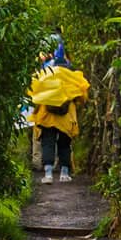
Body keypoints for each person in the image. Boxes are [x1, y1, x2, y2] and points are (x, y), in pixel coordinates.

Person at [27, 35, 89, 183]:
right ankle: (64, 173)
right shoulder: (71, 74)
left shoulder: (44, 74)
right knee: (64, 143)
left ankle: (48, 174)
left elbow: (34, 92)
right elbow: (82, 95)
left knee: (47, 142)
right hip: (67, 116)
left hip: (47, 115)